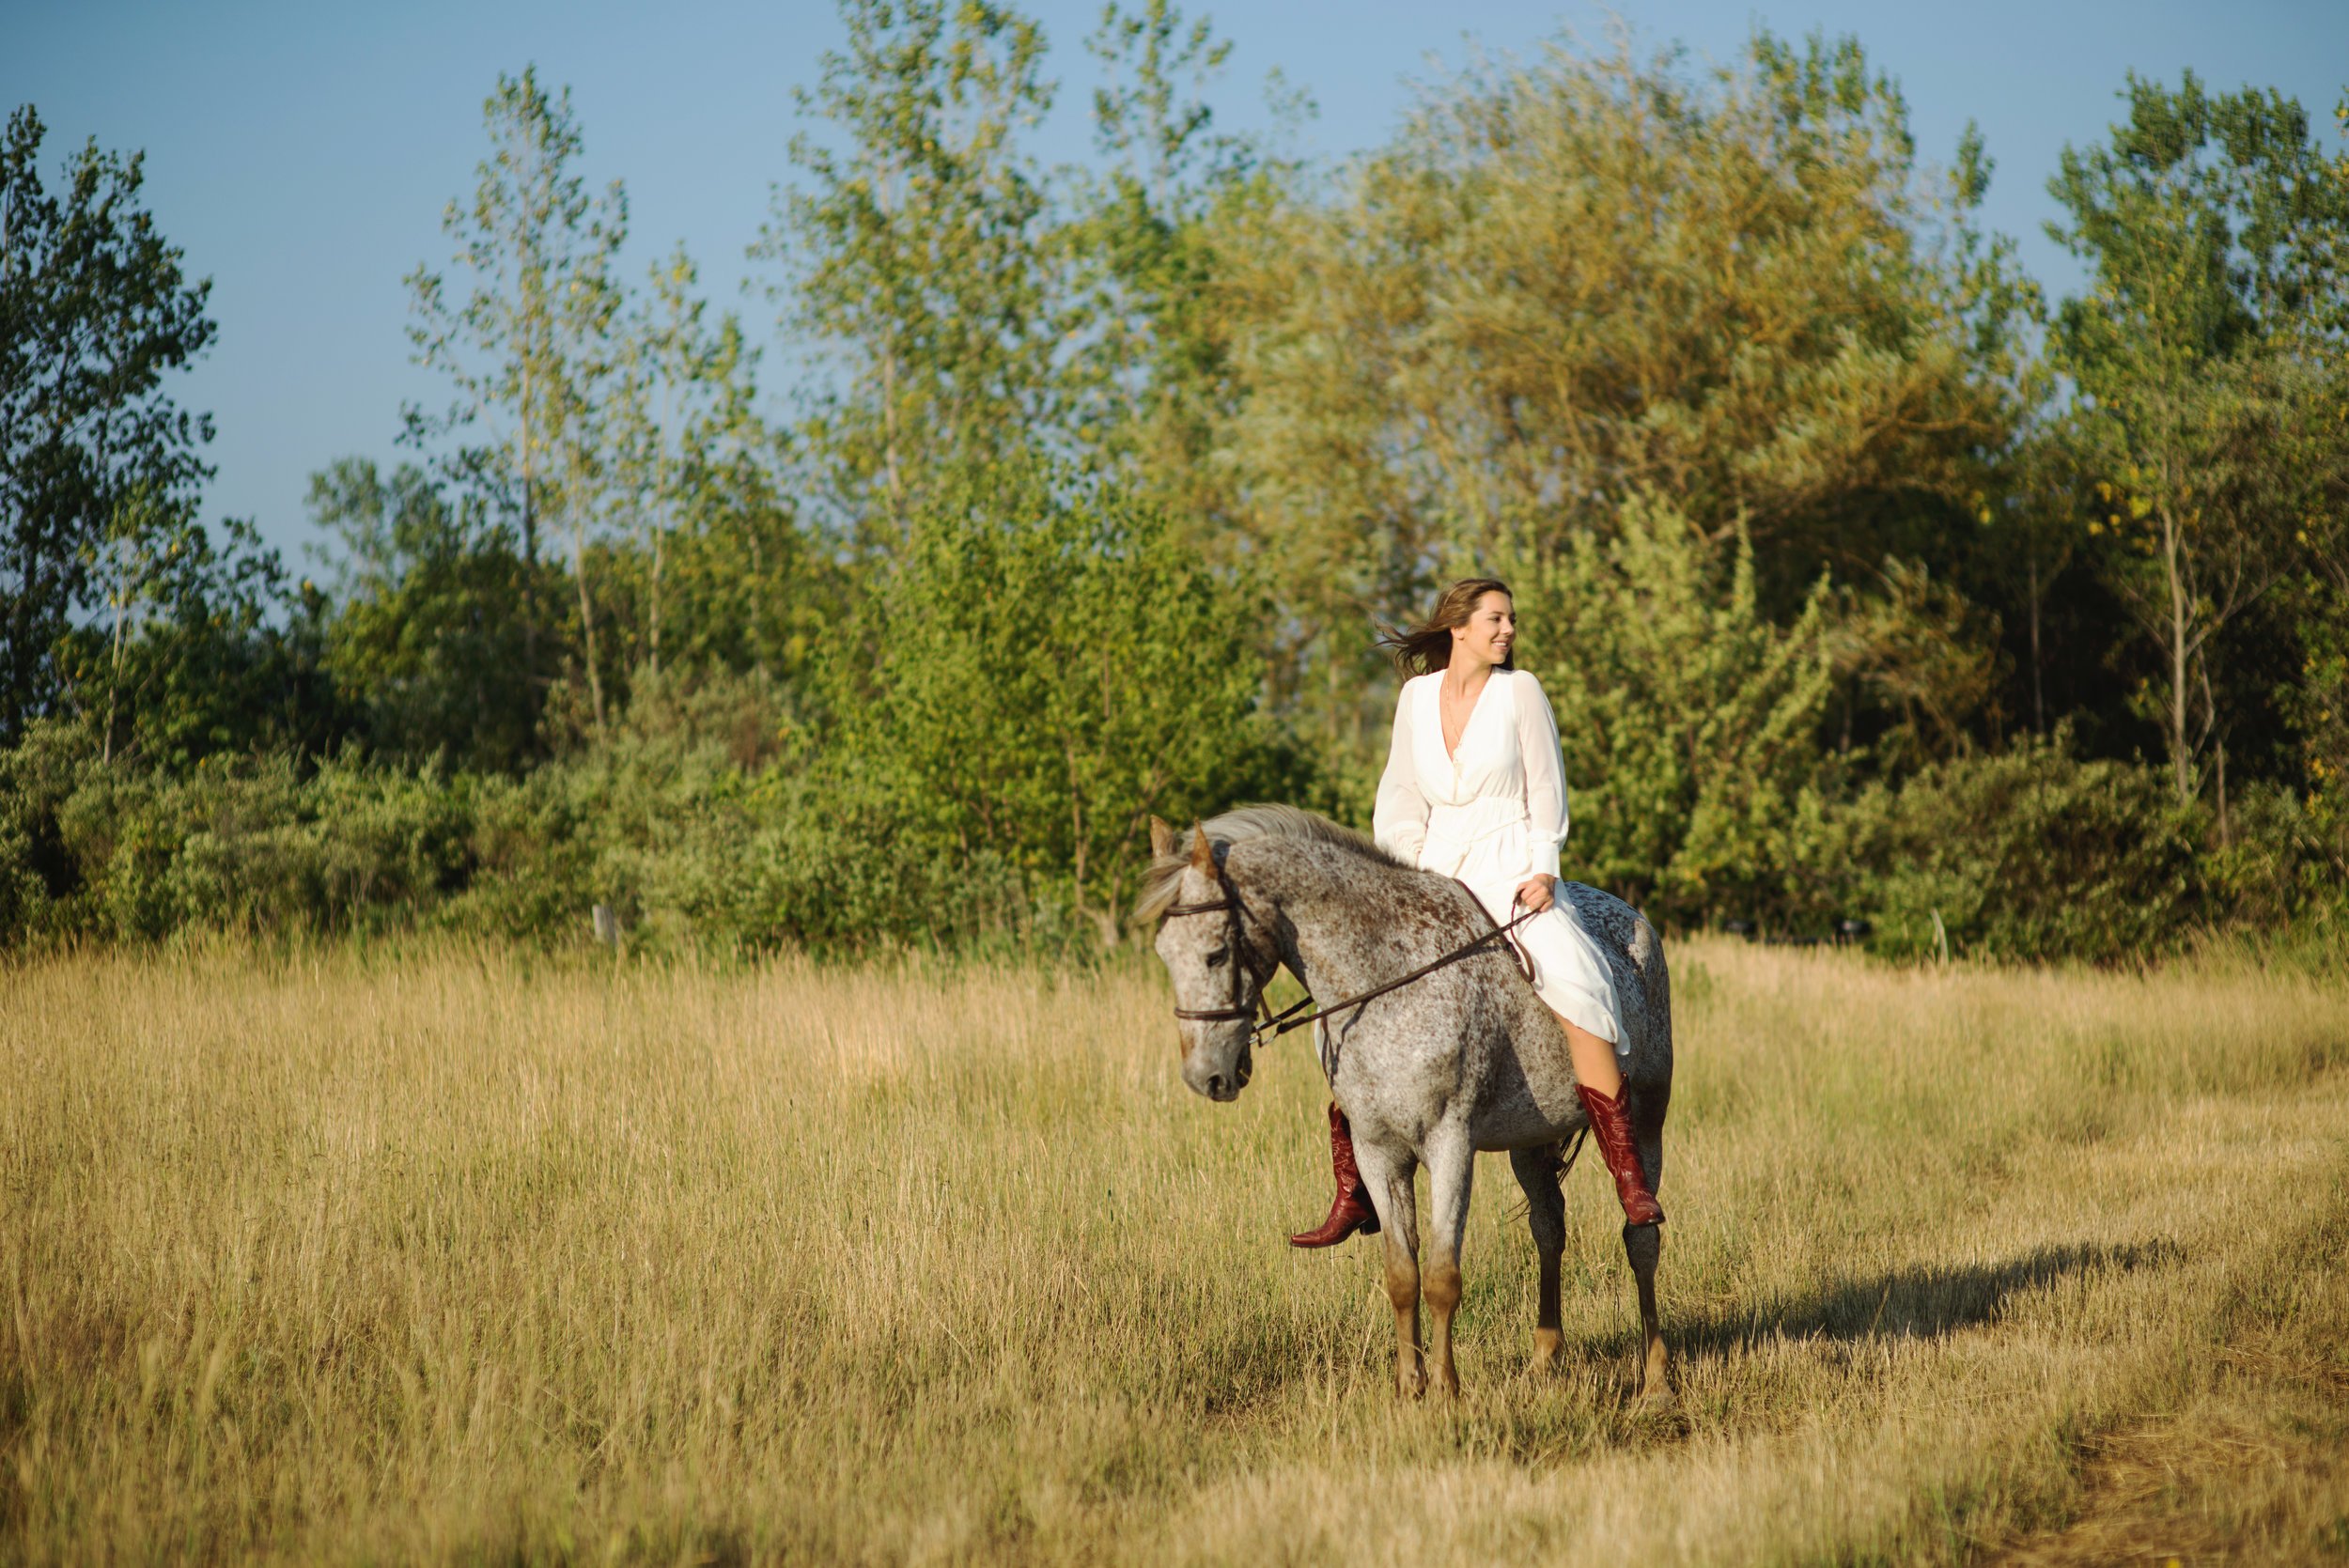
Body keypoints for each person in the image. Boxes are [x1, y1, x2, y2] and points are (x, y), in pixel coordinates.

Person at [1289, 577, 1666, 1247]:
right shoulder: (1414, 699)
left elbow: (1548, 783)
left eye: (1512, 619)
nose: (1508, 630)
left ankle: (1626, 1170)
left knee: (1576, 979)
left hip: (1511, 867)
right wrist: (1401, 879)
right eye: (1496, 618)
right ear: (1457, 626)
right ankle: (1353, 1184)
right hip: (1432, 878)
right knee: (1355, 1007)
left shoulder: (1521, 692)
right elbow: (1399, 796)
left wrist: (1545, 864)